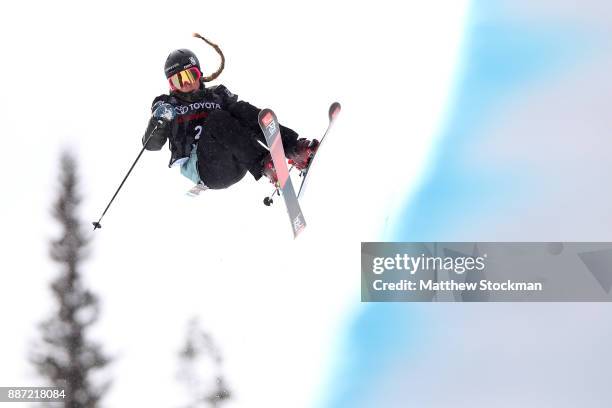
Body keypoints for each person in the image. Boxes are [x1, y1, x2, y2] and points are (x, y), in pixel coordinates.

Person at [142, 48, 319, 190]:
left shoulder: (216, 94)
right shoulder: (169, 104)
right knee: (216, 118)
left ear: (199, 74)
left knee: (238, 108)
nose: (186, 84)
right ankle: (266, 164)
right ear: (171, 86)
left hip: (238, 158)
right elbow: (151, 145)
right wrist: (159, 120)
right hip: (208, 170)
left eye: (190, 76)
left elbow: (245, 118)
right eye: (178, 81)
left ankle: (294, 150)